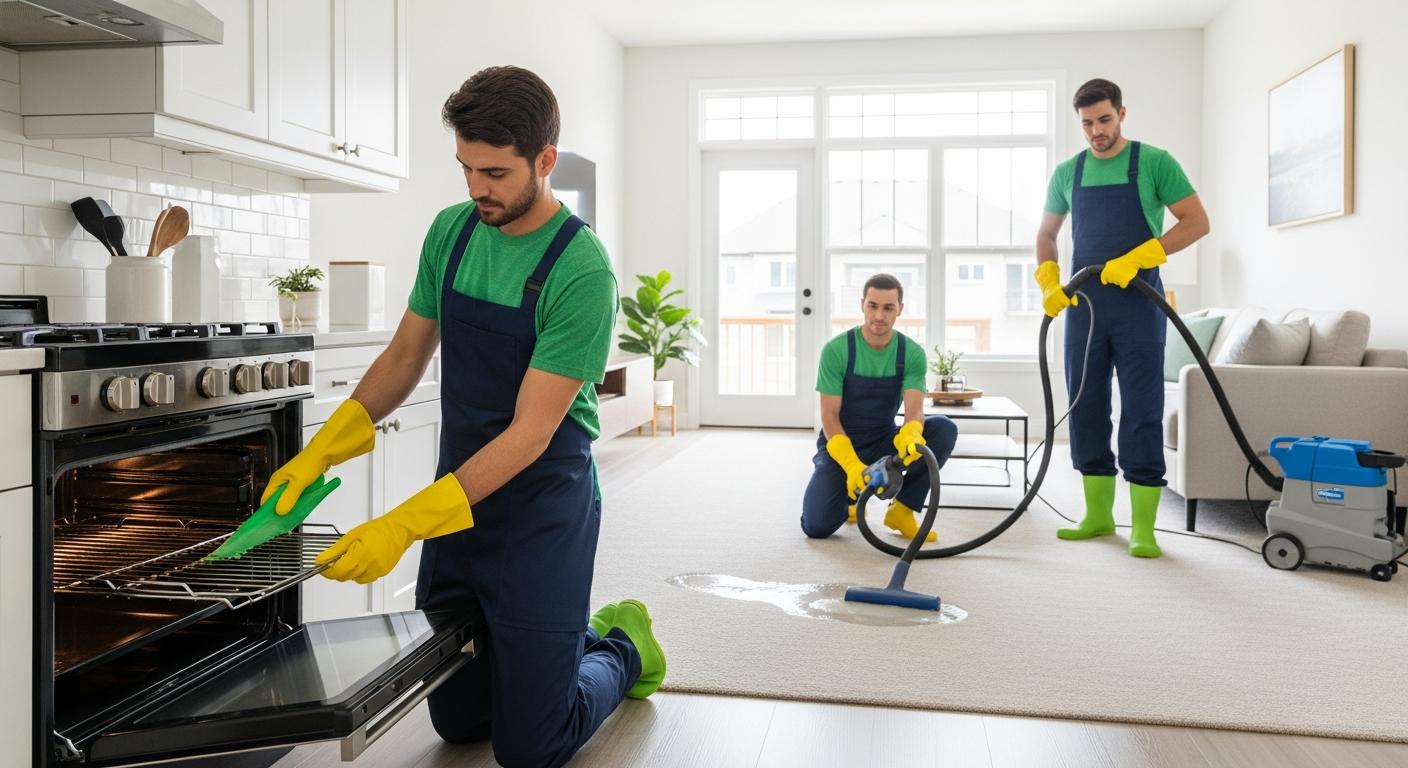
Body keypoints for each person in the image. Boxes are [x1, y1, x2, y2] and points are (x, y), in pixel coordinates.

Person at [263, 66, 663, 768]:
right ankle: (551, 649)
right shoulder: (452, 233)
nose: (477, 188)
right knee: (456, 717)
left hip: (541, 505)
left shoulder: (581, 268)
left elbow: (531, 434)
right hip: (461, 504)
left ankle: (620, 643)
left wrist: (401, 523)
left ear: (545, 160)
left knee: (531, 747)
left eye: (495, 172)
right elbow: (403, 358)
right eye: (466, 168)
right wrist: (319, 451)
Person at [1034, 78, 1210, 558]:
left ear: (1122, 113)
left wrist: (1141, 255)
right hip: (1084, 307)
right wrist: (1049, 279)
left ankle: (1144, 527)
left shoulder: (1154, 162)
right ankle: (1096, 515)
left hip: (1138, 305)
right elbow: (1047, 233)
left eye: (1104, 120)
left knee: (1141, 411)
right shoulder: (1068, 172)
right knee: (1086, 407)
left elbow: (1197, 222)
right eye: (1087, 123)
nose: (1096, 131)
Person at [802, 274, 959, 540]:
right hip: (841, 443)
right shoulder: (837, 350)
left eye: (888, 308)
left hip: (884, 439)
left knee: (943, 429)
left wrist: (910, 433)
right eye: (873, 306)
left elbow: (914, 410)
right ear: (862, 304)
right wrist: (851, 465)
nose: (879, 315)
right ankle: (851, 501)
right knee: (816, 527)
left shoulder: (910, 353)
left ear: (900, 309)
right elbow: (828, 416)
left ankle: (903, 509)